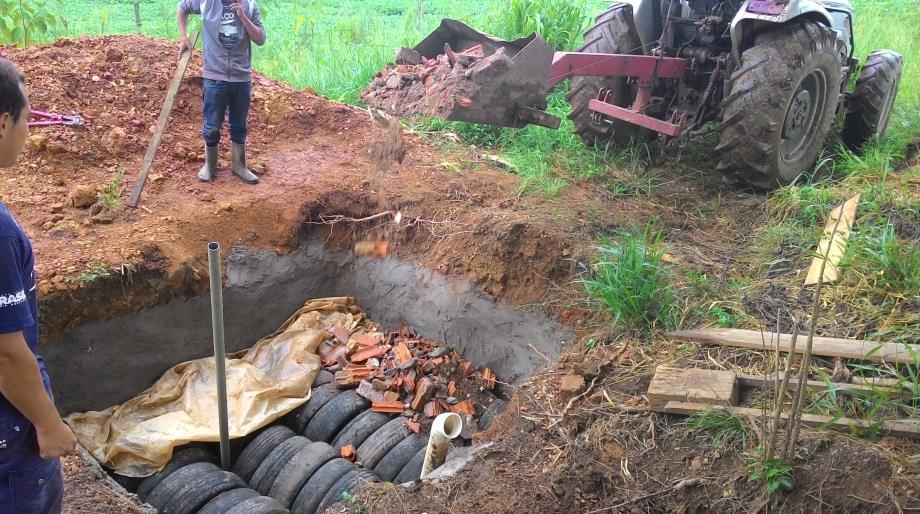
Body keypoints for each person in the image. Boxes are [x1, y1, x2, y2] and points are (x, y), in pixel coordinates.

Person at [0, 57, 77, 514]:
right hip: (10, 437)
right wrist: (48, 425)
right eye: (28, 117)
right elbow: (7, 355)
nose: (31, 129)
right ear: (3, 122)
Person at [177, 0, 266, 185]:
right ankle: (210, 166)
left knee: (239, 125)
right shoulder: (206, 2)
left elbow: (260, 39)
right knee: (211, 127)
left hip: (241, 77)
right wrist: (183, 36)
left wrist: (243, 16)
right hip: (214, 76)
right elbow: (182, 7)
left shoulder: (249, 5)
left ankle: (239, 165)